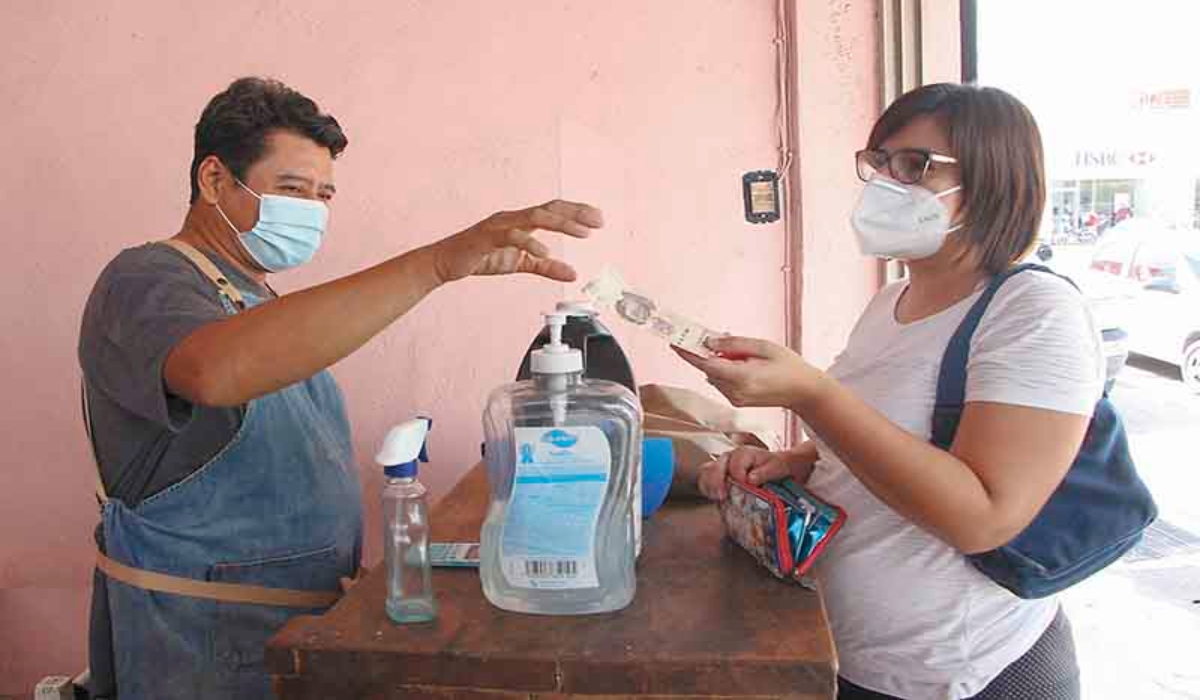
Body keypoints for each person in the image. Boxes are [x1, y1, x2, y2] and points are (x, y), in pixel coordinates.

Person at [77, 76, 603, 699]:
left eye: (324, 195)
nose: (312, 211)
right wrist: (435, 265)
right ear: (214, 180)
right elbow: (213, 372)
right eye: (292, 189)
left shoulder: (259, 302)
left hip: (299, 639)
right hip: (201, 649)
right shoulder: (146, 278)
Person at [676, 83, 1101, 700]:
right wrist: (790, 462)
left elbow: (982, 518)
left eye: (913, 166)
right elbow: (886, 439)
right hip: (852, 659)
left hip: (965, 674)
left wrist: (810, 395)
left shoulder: (1033, 311)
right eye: (878, 163)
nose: (881, 184)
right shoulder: (889, 302)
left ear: (991, 181)